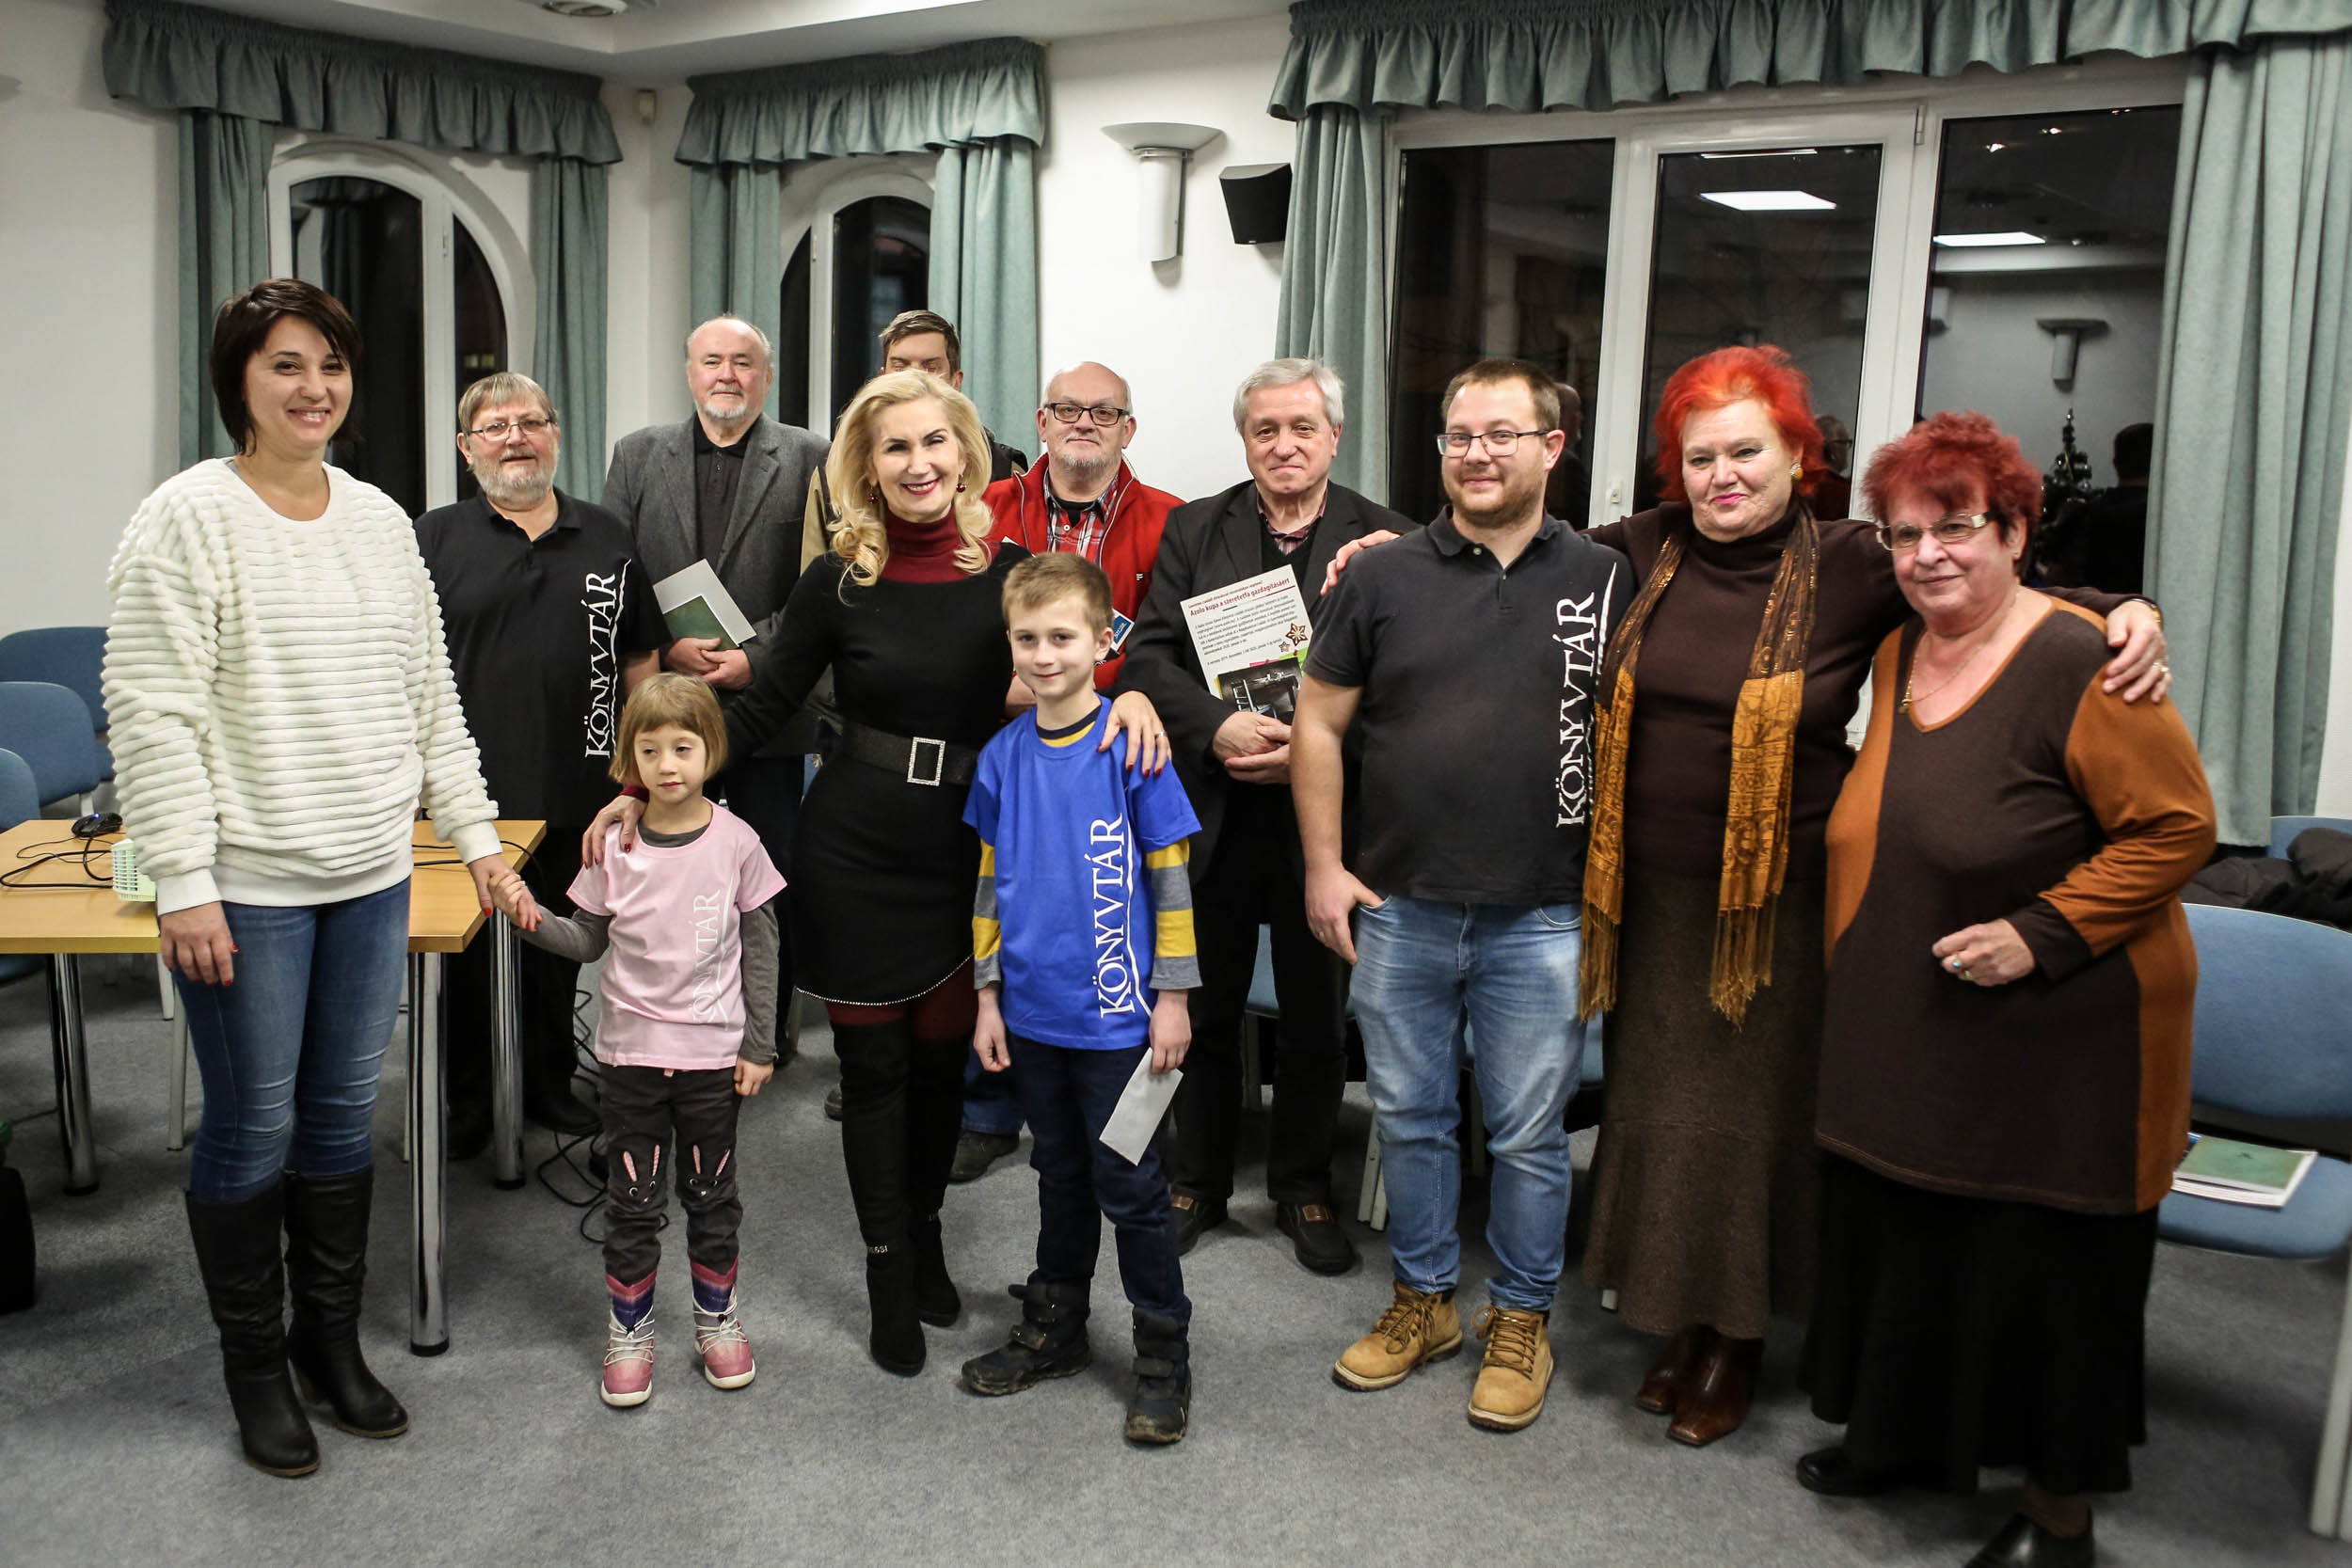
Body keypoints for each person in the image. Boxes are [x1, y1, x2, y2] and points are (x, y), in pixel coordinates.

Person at [1568, 346, 2169, 1449]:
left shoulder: (1852, 559)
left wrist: (2125, 609)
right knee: (1655, 1114)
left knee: (1748, 1128)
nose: (1721, 475)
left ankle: (1736, 1336)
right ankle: (1673, 1313)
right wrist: (1383, 545)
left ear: (1798, 455)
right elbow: (1513, 553)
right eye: (1698, 458)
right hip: (1647, 897)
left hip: (1775, 904)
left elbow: (1995, 591)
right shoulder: (1638, 550)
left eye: (1745, 451)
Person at [583, 372, 1168, 1377]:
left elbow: (1080, 658)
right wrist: (648, 788)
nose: (919, 462)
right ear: (866, 466)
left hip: (965, 851)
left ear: (965, 453)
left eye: (935, 441)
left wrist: (1139, 697)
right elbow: (759, 708)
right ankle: (887, 1269)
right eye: (895, 446)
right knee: (874, 1076)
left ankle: (927, 1232)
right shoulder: (834, 583)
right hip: (853, 848)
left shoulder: (1010, 573)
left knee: (942, 1072)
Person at [103, 278, 505, 1477]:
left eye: (329, 364)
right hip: (247, 885)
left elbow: (430, 697)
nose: (313, 387)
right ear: (238, 379)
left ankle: (329, 1342)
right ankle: (256, 1367)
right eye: (284, 364)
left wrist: (475, 834)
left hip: (371, 869)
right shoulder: (186, 516)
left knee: (339, 1115)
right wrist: (183, 880)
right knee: (252, 1123)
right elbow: (152, 713)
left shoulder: (380, 519)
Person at [1799, 411, 2213, 1568]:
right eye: (1903, 534)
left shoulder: (2088, 659)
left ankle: (2056, 1512)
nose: (1926, 554)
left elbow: (2178, 827)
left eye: (1956, 527)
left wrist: (2044, 932)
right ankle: (1898, 1436)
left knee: (2043, 1274)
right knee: (1913, 1239)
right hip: (1916, 1019)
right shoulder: (1901, 649)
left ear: (2016, 532)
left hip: (2059, 1036)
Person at [1298, 357, 1630, 1434]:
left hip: (1544, 909)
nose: (1477, 454)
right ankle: (1425, 1299)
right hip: (1400, 903)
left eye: (1501, 434)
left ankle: (1521, 1314)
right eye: (1458, 435)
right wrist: (1323, 865)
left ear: (1551, 446)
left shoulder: (1609, 578)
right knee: (1409, 1116)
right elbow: (1318, 723)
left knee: (1529, 1132)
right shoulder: (1381, 574)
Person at [1122, 357, 1410, 1275]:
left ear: (1334, 436)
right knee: (1201, 1002)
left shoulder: (1391, 540)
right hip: (1214, 810)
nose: (1283, 444)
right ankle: (1195, 1180)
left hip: (1325, 825)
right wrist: (1216, 725)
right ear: (1245, 439)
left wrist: (1319, 749)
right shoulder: (1193, 528)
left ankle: (1302, 1186)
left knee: (1316, 1018)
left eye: (1301, 427)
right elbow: (1149, 658)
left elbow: (1407, 688)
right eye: (1265, 429)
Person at [958, 553, 1202, 1444]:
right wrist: (987, 997)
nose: (1044, 653)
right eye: (1026, 638)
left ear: (1103, 642)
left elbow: (1170, 879)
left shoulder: (1133, 748)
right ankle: (1057, 1323)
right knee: (1057, 1174)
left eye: (1062, 636)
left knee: (1130, 1183)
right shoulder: (1002, 757)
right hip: (1032, 1016)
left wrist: (1173, 997)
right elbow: (989, 884)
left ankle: (1163, 1350)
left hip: (1122, 1022)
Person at [492, 674, 785, 1408]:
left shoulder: (738, 842)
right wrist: (528, 916)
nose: (666, 764)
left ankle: (717, 1321)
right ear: (629, 758)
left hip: (712, 1059)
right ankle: (629, 1332)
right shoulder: (612, 846)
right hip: (630, 1059)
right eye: (649, 750)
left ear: (711, 749)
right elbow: (587, 940)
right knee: (631, 1201)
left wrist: (760, 1044)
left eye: (683, 747)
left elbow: (762, 948)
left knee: (713, 1195)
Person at [416, 372, 665, 1157]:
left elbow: (642, 662)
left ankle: (551, 1084)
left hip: (577, 791)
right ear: (467, 448)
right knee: (464, 962)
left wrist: (639, 778)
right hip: (464, 803)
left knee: (557, 954)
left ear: (556, 434)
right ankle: (467, 1103)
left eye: (531, 421)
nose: (515, 437)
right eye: (495, 427)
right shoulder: (430, 538)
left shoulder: (608, 535)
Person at [955, 361, 1183, 1181]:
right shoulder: (982, 510)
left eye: (1104, 411)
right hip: (1000, 754)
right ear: (1041, 421)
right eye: (1067, 408)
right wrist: (999, 686)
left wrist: (1125, 691)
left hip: (1108, 748)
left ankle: (1111, 1107)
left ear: (1129, 428)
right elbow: (952, 628)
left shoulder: (1172, 522)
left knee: (1097, 914)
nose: (1084, 422)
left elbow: (1169, 640)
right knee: (1003, 906)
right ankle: (989, 1105)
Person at [603, 316, 829, 1063]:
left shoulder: (811, 455)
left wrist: (756, 654)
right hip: (665, 705)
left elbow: (824, 580)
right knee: (664, 872)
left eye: (743, 361)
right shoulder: (637, 454)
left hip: (768, 705)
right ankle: (667, 1021)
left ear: (767, 376)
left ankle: (767, 1035)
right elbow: (616, 573)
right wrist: (664, 645)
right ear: (689, 370)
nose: (727, 374)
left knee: (769, 874)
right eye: (712, 360)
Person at [2078, 421, 2153, 595]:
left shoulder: (2083, 515)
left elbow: (2057, 577)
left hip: (2094, 609)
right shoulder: (2161, 520)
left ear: (2116, 463)